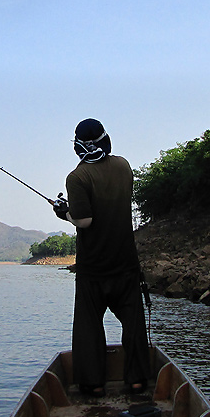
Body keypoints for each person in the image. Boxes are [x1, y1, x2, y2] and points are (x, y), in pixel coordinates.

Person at [53, 118, 151, 397]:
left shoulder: (77, 177)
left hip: (93, 269)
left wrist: (64, 213)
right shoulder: (123, 166)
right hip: (126, 264)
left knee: (89, 327)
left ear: (78, 145)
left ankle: (94, 384)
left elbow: (84, 221)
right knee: (133, 324)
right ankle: (136, 381)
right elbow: (108, 201)